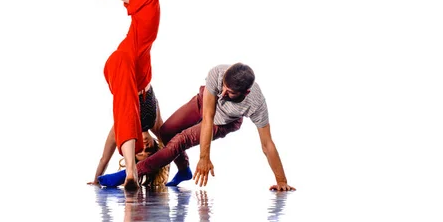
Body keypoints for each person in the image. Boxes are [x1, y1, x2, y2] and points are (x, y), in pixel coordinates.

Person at [98, 63, 296, 191]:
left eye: (231, 93)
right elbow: (206, 115)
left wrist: (281, 180)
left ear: (246, 92)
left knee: (180, 141)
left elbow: (267, 144)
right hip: (203, 104)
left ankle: (129, 173)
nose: (223, 94)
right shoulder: (217, 73)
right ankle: (184, 169)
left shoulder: (256, 103)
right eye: (223, 87)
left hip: (223, 122)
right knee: (166, 132)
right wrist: (203, 157)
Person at [79, 0, 161, 190]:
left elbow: (104, 157)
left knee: (125, 103)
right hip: (140, 69)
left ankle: (131, 172)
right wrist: (184, 166)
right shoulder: (154, 121)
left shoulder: (120, 128)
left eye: (140, 153)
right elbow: (173, 143)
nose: (145, 148)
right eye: (149, 147)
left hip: (120, 68)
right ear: (152, 141)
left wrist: (97, 177)